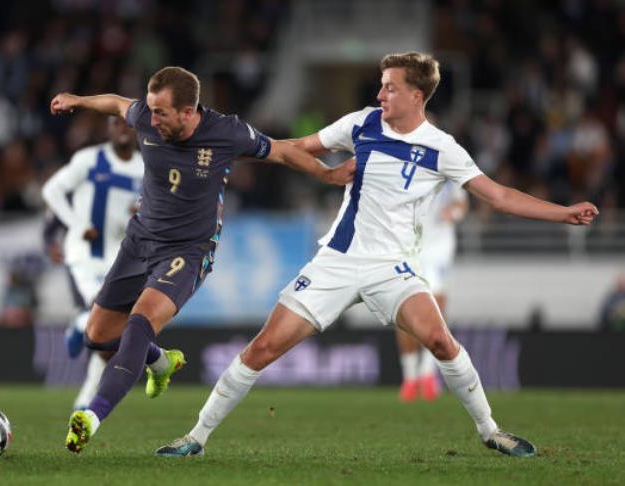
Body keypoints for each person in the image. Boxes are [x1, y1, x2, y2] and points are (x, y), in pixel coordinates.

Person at [156, 52, 598, 458]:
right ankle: (195, 437)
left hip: (393, 268)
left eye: (389, 87)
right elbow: (298, 148)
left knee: (442, 341)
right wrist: (230, 149)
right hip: (338, 260)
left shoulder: (442, 147)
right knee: (263, 347)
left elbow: (497, 196)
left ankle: (490, 430)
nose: (379, 94)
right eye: (381, 85)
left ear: (415, 95)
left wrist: (562, 214)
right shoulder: (361, 124)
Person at [49, 66, 355, 453]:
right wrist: (77, 101)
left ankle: (90, 416)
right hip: (139, 240)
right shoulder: (145, 114)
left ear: (188, 111)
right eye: (151, 110)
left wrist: (327, 176)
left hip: (186, 252)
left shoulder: (227, 132)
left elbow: (280, 151)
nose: (151, 118)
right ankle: (160, 363)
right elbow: (114, 103)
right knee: (98, 334)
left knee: (139, 324)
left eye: (162, 112)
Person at [41, 116, 185, 410]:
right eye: (116, 124)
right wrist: (75, 225)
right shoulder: (89, 160)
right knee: (97, 317)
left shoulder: (147, 167)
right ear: (107, 129)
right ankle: (80, 324)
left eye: (128, 125)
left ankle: (85, 397)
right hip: (84, 255)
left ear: (137, 130)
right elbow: (51, 191)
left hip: (121, 260)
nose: (123, 129)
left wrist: (144, 209)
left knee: (111, 334)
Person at [397, 180, 468, 402]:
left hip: (439, 248)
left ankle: (427, 374)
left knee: (436, 308)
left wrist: (454, 212)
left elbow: (462, 203)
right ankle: (410, 377)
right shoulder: (405, 164)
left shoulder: (449, 166)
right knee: (404, 312)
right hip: (409, 247)